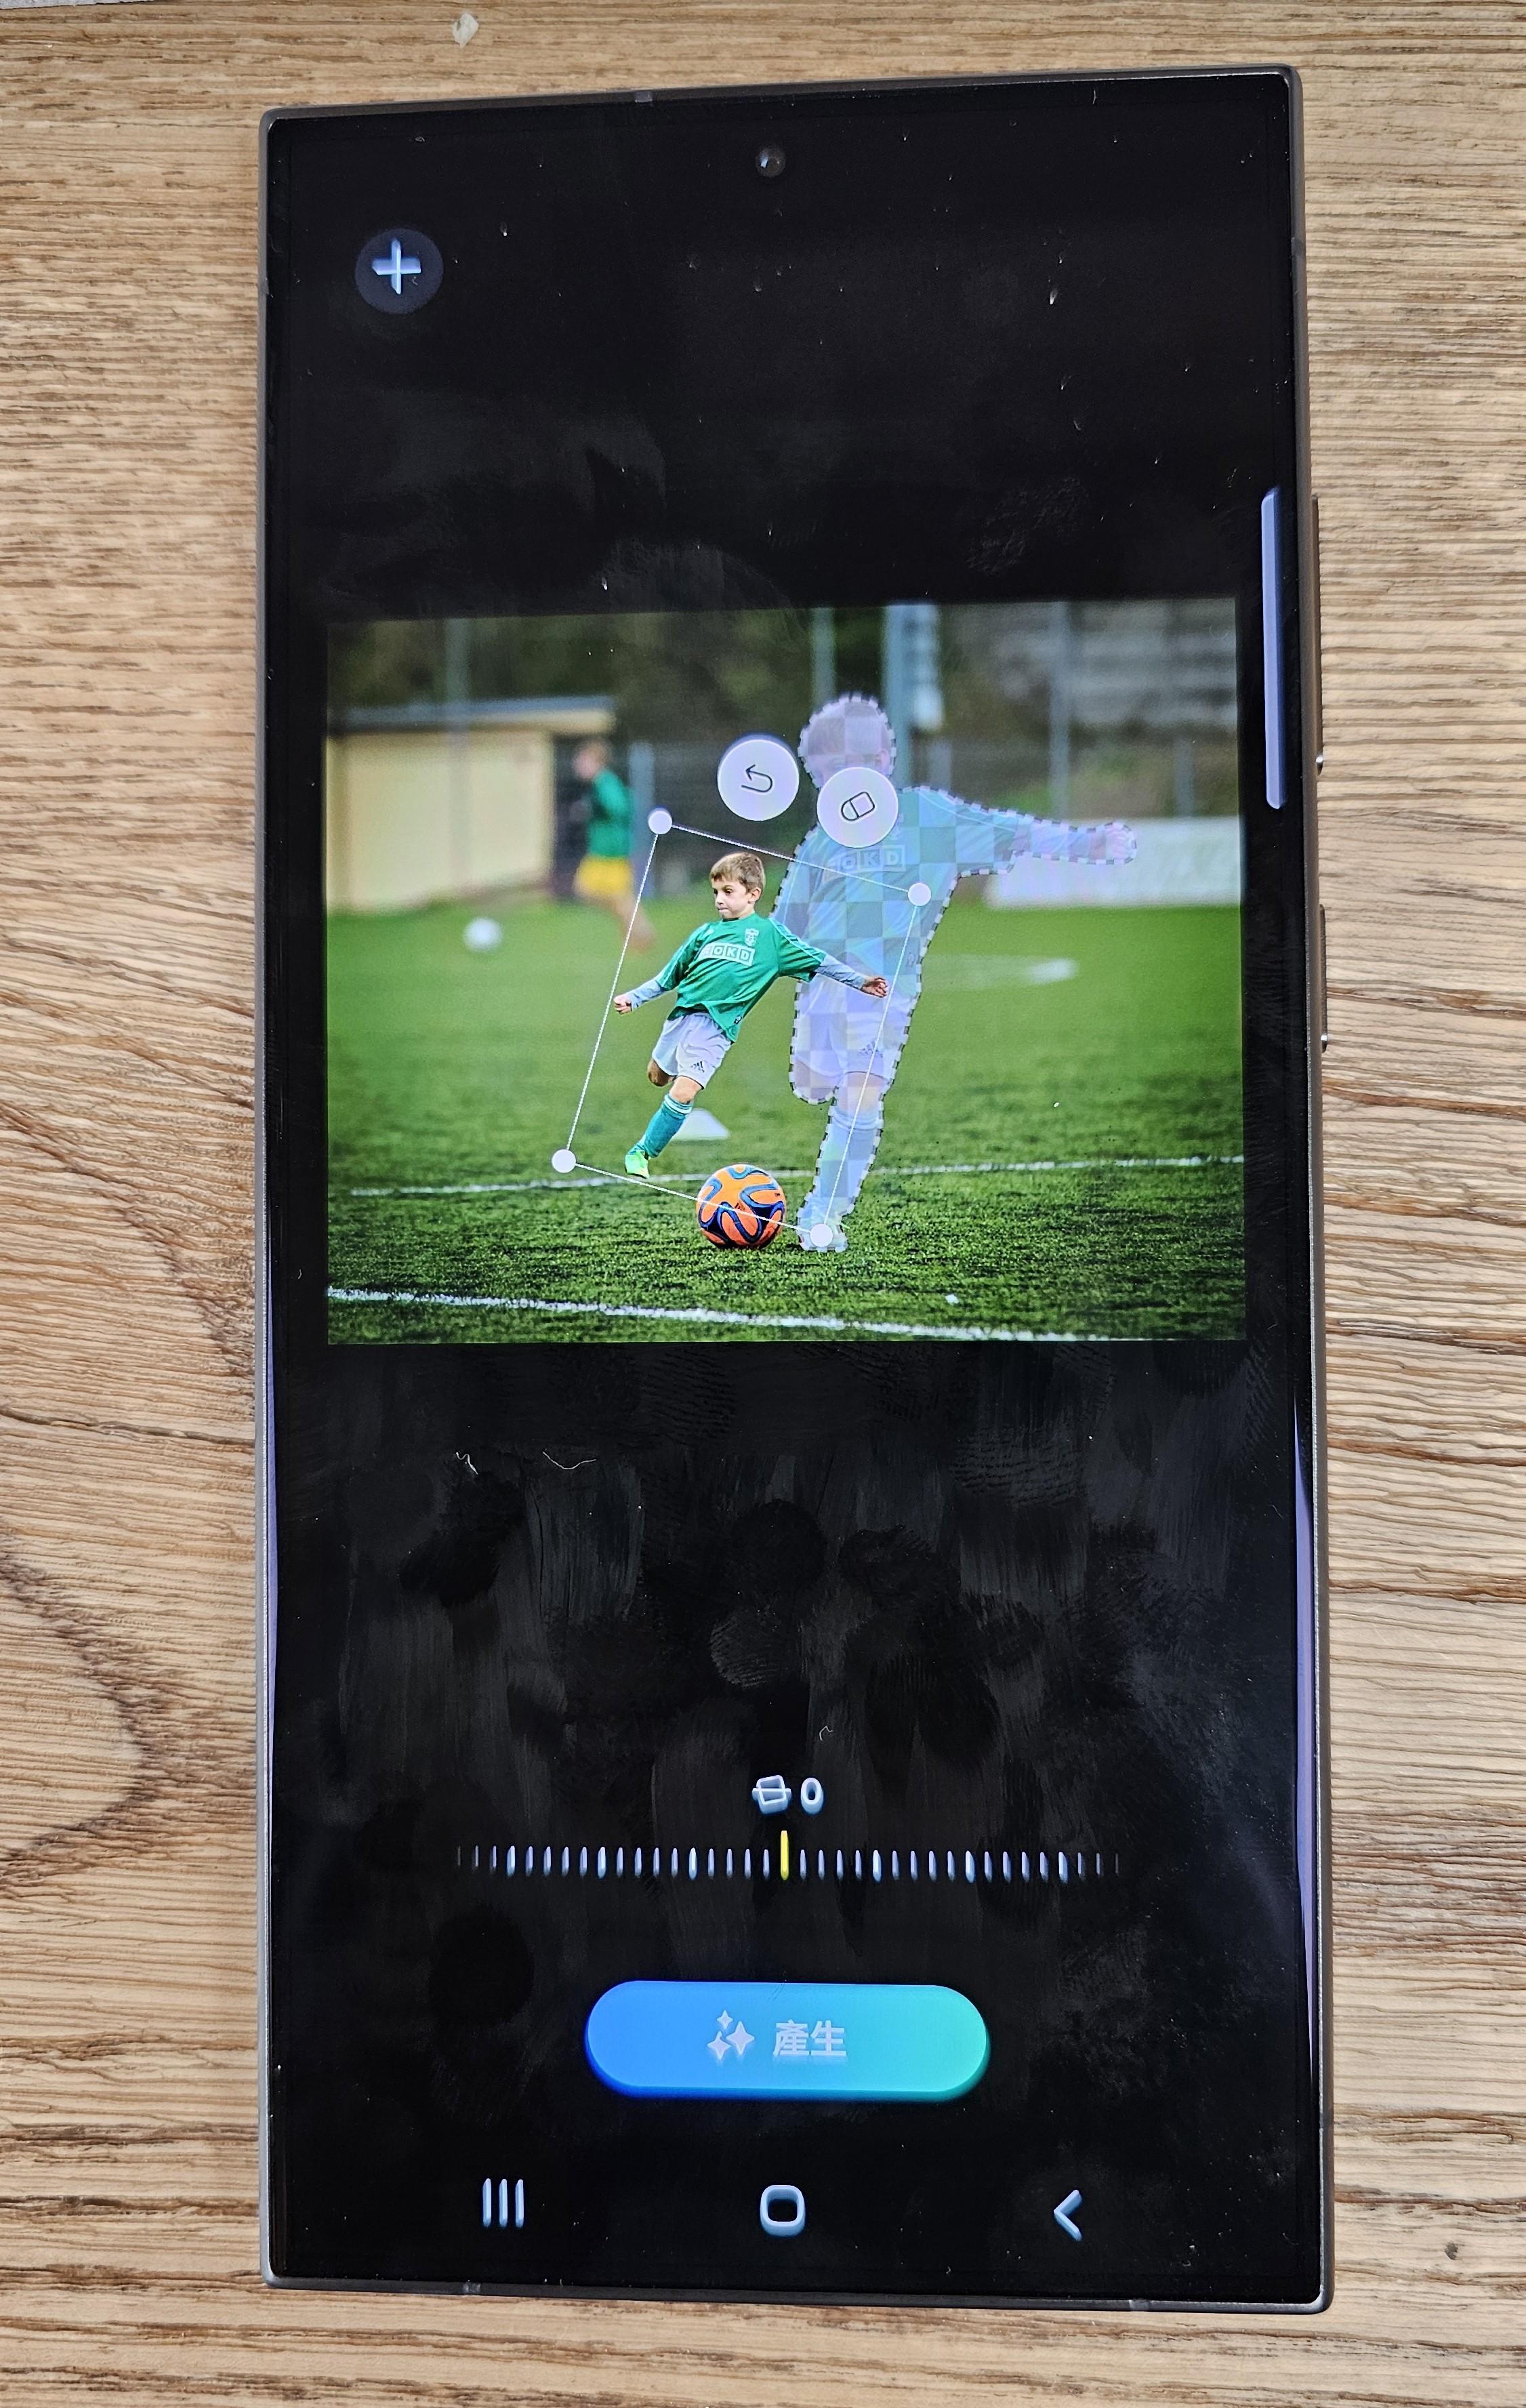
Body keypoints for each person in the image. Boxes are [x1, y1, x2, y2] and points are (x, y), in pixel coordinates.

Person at [775, 693, 1136, 1252]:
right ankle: (816, 1078)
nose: (833, 785)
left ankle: (823, 1213)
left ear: (880, 761)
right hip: (821, 985)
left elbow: (1012, 831)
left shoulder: (929, 818)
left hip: (884, 988)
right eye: (823, 776)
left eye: (841, 769)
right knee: (812, 1083)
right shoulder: (822, 839)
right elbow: (785, 922)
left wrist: (1090, 843)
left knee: (861, 1090)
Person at [613, 849, 886, 1179]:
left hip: (716, 1029)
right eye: (716, 892)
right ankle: (670, 1084)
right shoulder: (705, 934)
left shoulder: (771, 937)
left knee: (684, 1092)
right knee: (657, 1076)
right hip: (680, 1020)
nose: (719, 899)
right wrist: (634, 998)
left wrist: (860, 981)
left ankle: (641, 1152)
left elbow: (819, 959)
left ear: (753, 894)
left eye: (728, 892)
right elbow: (668, 978)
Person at [570, 738, 654, 948]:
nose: (578, 765)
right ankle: (637, 930)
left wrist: (593, 809)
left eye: (583, 761)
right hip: (603, 850)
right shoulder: (600, 784)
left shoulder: (605, 783)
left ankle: (641, 932)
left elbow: (619, 807)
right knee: (601, 894)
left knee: (604, 894)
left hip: (610, 851)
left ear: (596, 762)